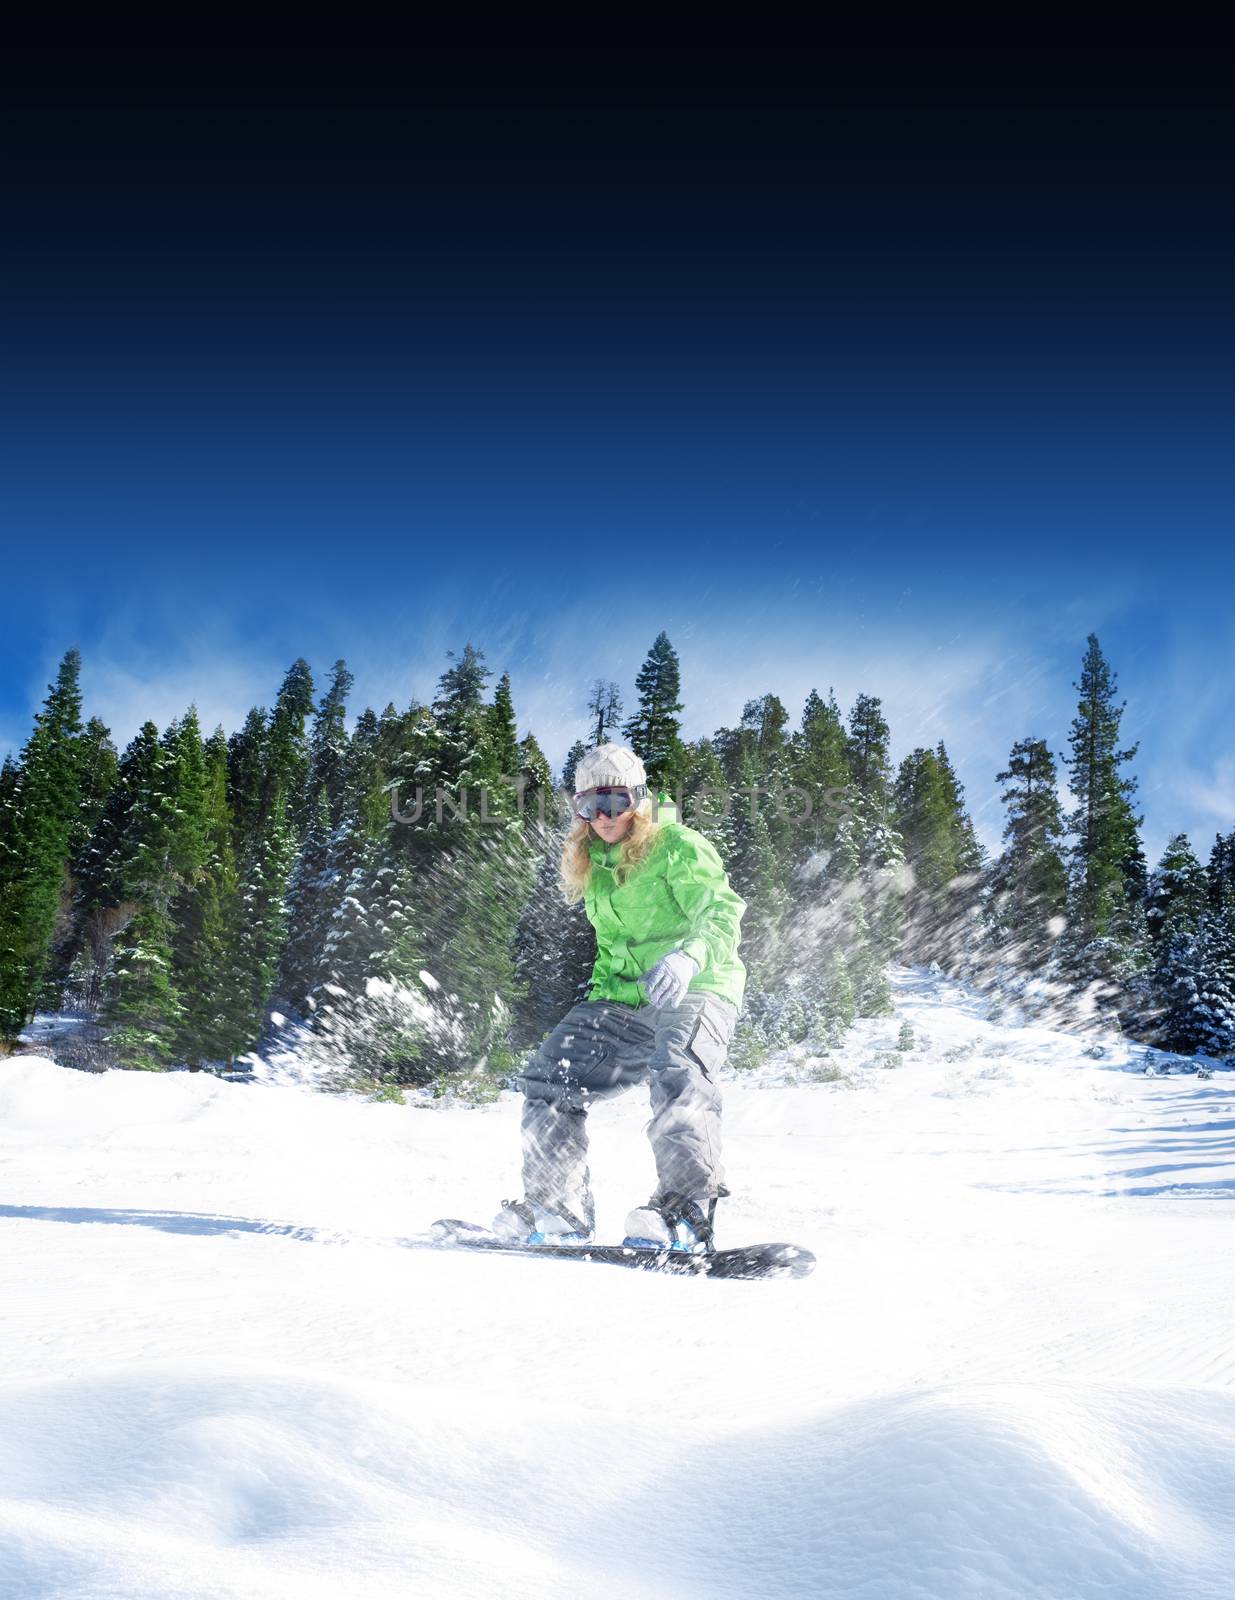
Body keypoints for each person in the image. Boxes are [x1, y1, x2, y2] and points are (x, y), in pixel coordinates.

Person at [491, 742, 747, 1254]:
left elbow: (721, 912)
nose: (604, 817)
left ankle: (686, 1210)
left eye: (616, 801)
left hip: (698, 985)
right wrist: (592, 1014)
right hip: (624, 1000)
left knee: (679, 1069)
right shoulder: (594, 863)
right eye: (590, 806)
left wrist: (689, 956)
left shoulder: (677, 843)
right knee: (550, 1076)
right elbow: (613, 947)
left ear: (640, 798)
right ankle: (557, 1206)